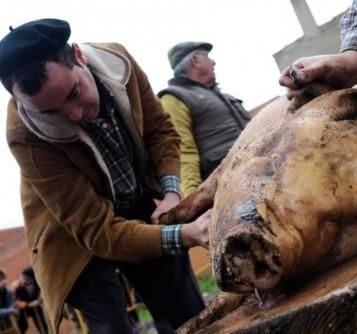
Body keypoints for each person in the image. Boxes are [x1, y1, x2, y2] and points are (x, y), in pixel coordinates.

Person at [0, 19, 209, 334]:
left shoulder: (118, 63)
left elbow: (161, 134)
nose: (73, 115)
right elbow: (96, 230)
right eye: (50, 113)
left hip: (138, 204)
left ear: (78, 56)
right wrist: (185, 234)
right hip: (73, 235)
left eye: (73, 93)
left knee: (189, 316)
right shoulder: (23, 133)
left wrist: (170, 193)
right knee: (110, 325)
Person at [157, 42, 250, 196]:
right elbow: (183, 152)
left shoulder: (223, 96)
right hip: (230, 185)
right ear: (195, 60)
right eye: (207, 56)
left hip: (256, 170)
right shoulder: (173, 99)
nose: (213, 62)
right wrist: (192, 198)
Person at [14, 267, 48, 334]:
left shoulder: (37, 283)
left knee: (41, 323)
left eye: (25, 278)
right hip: (23, 310)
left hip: (35, 307)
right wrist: (27, 305)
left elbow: (43, 294)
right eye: (22, 277)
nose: (23, 280)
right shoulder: (17, 286)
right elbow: (14, 300)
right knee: (22, 326)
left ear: (32, 278)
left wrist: (39, 301)